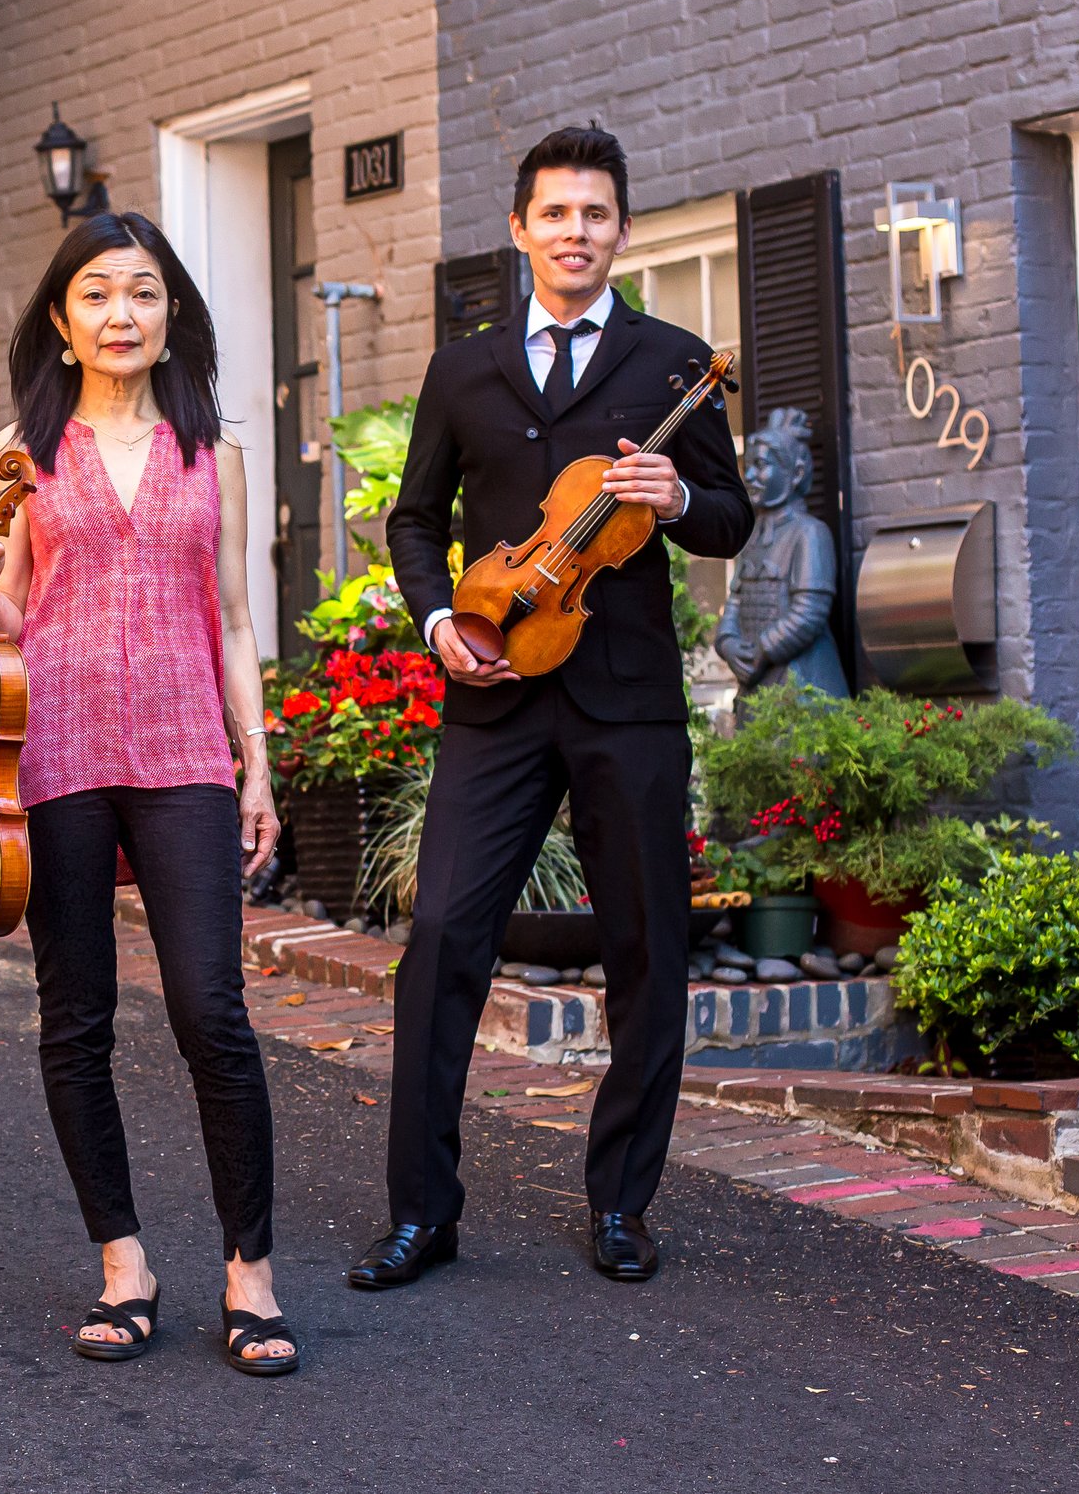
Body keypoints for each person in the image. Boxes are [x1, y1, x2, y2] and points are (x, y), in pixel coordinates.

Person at [353, 126, 751, 1292]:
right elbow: (415, 520)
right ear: (519, 228)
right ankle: (423, 1211)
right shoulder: (461, 367)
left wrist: (679, 492)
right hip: (495, 695)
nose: (575, 232)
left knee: (644, 951)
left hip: (625, 702)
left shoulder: (674, 362)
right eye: (555, 214)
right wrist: (439, 623)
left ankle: (622, 1204)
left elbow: (731, 517)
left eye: (596, 214)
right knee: (438, 942)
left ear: (621, 230)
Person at [0, 212, 296, 1377]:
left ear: (169, 314)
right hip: (54, 756)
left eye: (141, 294)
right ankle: (123, 1263)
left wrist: (258, 762)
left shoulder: (217, 454)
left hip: (188, 750)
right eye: (96, 295)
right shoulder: (20, 451)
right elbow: (12, 617)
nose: (119, 316)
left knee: (212, 1012)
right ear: (60, 319)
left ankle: (250, 1270)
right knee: (76, 1016)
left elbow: (236, 621)